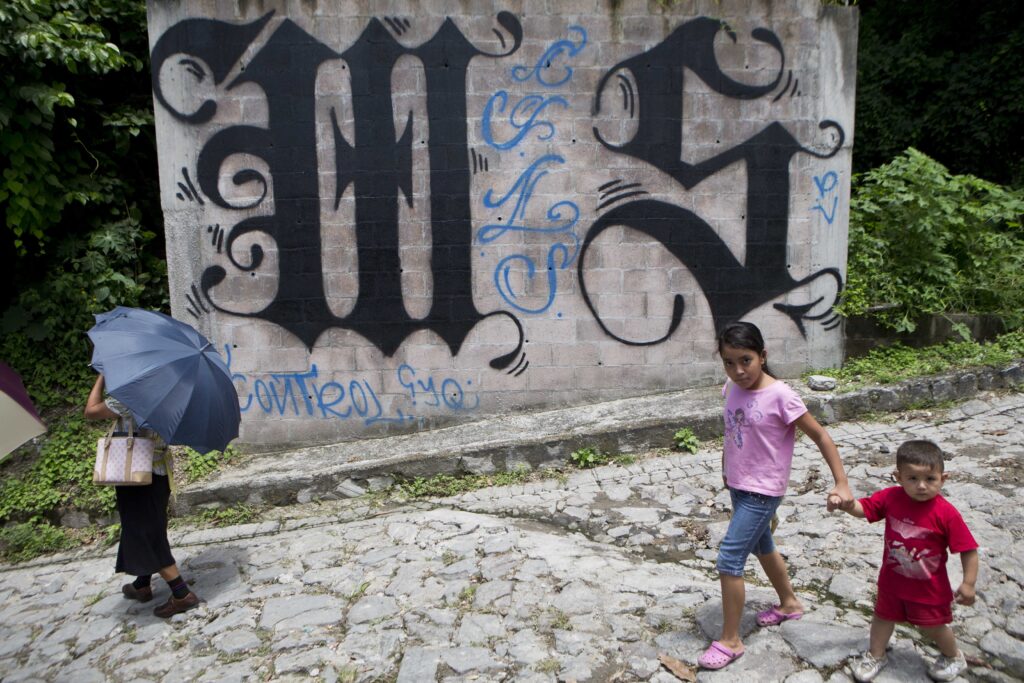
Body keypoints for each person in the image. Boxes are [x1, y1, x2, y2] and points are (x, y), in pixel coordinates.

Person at [697, 321, 853, 670]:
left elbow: (821, 436)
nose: (738, 370)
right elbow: (731, 433)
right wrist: (726, 471)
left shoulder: (781, 395)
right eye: (729, 362)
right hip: (738, 485)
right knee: (762, 545)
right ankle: (789, 603)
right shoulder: (731, 387)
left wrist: (841, 483)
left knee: (729, 560)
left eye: (746, 360)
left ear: (763, 356)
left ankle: (731, 640)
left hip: (763, 492)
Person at [833, 439, 979, 682]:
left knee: (933, 625)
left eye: (930, 479)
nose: (921, 486)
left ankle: (953, 655)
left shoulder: (947, 513)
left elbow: (968, 549)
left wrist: (969, 583)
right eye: (912, 478)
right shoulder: (891, 498)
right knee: (882, 617)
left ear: (943, 478)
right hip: (892, 582)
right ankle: (876, 654)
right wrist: (846, 505)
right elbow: (865, 509)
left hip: (929, 589)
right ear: (898, 477)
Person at [85, 373, 200, 618]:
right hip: (159, 472)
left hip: (135, 471)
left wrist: (103, 378)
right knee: (149, 525)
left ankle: (181, 594)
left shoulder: (132, 396)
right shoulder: (174, 392)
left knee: (143, 530)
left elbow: (91, 410)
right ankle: (142, 584)